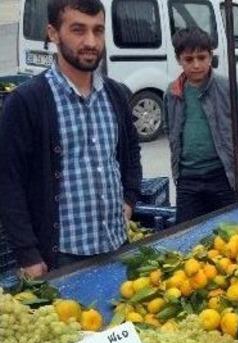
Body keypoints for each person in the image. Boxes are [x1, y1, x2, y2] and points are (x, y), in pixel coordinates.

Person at [0, 0, 141, 275]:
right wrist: (28, 255)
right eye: (78, 30)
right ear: (53, 33)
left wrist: (129, 199)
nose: (91, 42)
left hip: (117, 245)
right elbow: (8, 182)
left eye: (98, 30)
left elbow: (131, 151)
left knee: (122, 306)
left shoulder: (116, 94)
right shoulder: (26, 102)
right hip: (62, 257)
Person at [164, 27, 238, 224]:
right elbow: (170, 129)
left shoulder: (227, 87)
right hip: (188, 180)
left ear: (210, 56)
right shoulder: (172, 93)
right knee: (186, 233)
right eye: (189, 59)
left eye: (201, 57)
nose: (196, 65)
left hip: (223, 177)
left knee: (229, 233)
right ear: (178, 60)